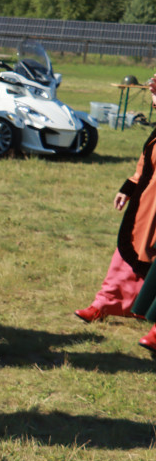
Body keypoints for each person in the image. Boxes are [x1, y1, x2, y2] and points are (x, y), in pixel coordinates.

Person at [76, 75, 156, 329]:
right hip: (146, 206)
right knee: (125, 254)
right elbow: (145, 164)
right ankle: (104, 303)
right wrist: (129, 188)